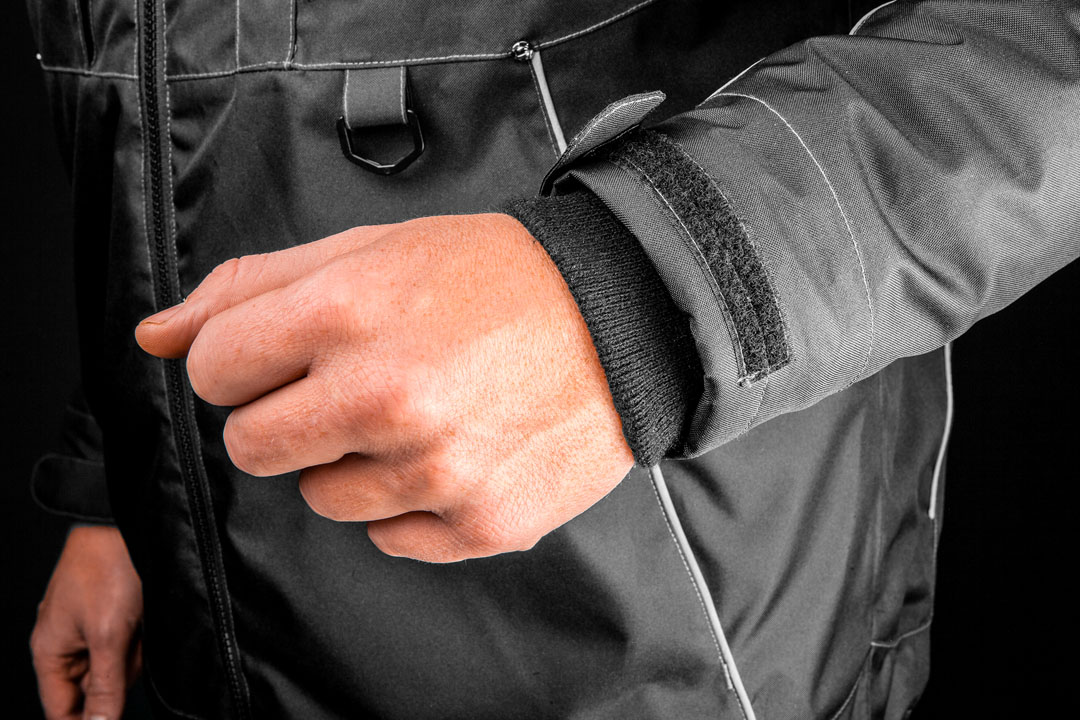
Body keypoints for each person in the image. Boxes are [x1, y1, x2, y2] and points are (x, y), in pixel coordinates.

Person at [26, 1, 1079, 718]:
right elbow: (160, 103)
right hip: (220, 612)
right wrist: (124, 486)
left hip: (678, 633)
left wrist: (640, 297)